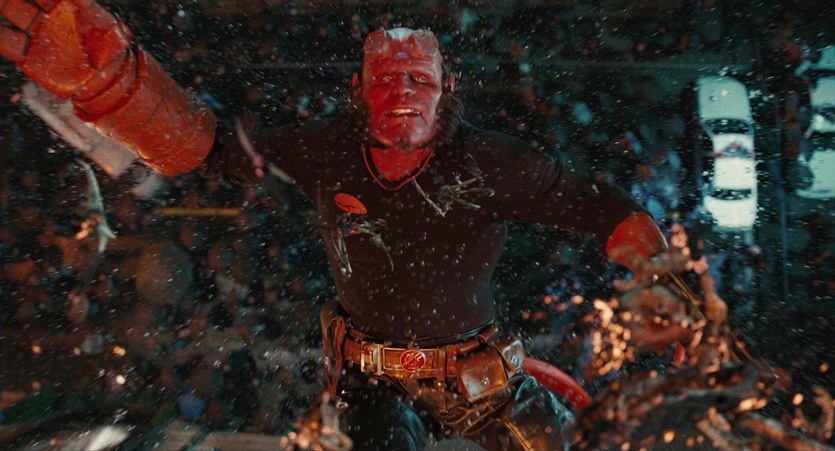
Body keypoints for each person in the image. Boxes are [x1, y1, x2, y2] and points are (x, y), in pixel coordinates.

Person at [1, 2, 668, 449]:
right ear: (358, 89)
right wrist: (120, 90)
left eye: (417, 78)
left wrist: (663, 276)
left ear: (446, 88)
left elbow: (594, 205)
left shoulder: (490, 161)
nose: (401, 92)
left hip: (483, 379)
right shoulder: (324, 150)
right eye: (385, 80)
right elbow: (212, 150)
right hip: (373, 380)